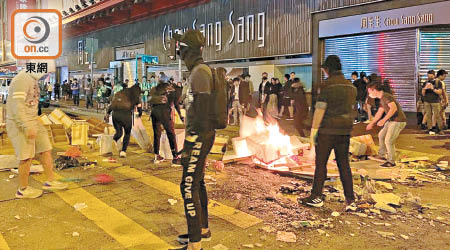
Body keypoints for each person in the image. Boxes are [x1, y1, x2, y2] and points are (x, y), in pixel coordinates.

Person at [172, 29, 216, 250]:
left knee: (188, 186)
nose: (179, 54)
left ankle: (195, 244)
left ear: (187, 51)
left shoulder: (200, 73)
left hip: (198, 137)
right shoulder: (198, 71)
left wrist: (190, 142)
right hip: (199, 136)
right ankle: (202, 230)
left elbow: (202, 111)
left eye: (180, 50)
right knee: (197, 182)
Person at [299, 55, 356, 210]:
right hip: (345, 131)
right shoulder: (350, 86)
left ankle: (316, 196)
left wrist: (314, 131)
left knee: (321, 164)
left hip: (327, 130)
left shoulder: (327, 85)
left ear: (328, 69)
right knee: (344, 164)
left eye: (324, 69)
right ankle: (350, 199)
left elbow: (320, 109)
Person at [6, 60, 68, 199]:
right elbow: (18, 107)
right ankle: (22, 189)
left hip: (32, 120)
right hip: (19, 123)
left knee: (45, 148)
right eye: (47, 73)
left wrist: (35, 119)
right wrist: (27, 126)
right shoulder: (22, 79)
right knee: (26, 156)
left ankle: (50, 181)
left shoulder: (32, 79)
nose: (47, 76)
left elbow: (31, 103)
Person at [366, 81, 407, 167]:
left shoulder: (386, 96)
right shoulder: (382, 99)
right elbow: (380, 112)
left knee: (389, 140)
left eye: (369, 92)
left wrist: (384, 120)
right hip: (391, 120)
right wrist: (372, 123)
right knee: (381, 135)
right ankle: (381, 155)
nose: (369, 94)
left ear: (374, 90)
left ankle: (391, 161)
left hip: (398, 121)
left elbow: (393, 108)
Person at [106, 83, 142, 158]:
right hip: (126, 115)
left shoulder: (118, 93)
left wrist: (108, 113)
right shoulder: (134, 95)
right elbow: (139, 106)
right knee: (127, 133)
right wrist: (140, 114)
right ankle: (123, 151)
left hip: (115, 115)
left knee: (119, 132)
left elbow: (112, 104)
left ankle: (114, 140)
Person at [149, 80, 181, 164]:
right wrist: (181, 115)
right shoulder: (172, 90)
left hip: (154, 112)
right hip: (164, 112)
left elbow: (150, 101)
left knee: (157, 133)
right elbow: (176, 104)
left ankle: (156, 156)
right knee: (171, 134)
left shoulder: (155, 89)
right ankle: (175, 157)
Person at [422, 69, 444, 135]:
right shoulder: (425, 82)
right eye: (428, 76)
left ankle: (440, 129)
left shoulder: (438, 82)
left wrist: (433, 88)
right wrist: (425, 88)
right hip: (427, 101)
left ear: (434, 76)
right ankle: (429, 128)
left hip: (435, 101)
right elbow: (423, 94)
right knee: (428, 115)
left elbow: (440, 92)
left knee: (437, 115)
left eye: (431, 76)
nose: (429, 78)